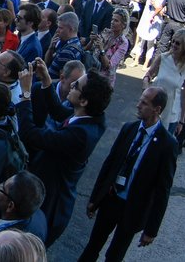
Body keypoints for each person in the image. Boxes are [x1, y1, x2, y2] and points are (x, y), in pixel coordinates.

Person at [17, 59, 113, 246]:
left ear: (84, 100)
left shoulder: (80, 135)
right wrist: (46, 82)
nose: (71, 85)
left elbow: (30, 134)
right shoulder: (92, 116)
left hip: (49, 206)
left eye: (76, 86)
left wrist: (26, 94)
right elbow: (60, 112)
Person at [79, 87, 178, 262]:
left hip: (133, 209)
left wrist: (151, 230)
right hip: (111, 199)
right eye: (140, 100)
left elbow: (163, 190)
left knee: (115, 255)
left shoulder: (167, 144)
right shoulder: (129, 129)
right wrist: (95, 198)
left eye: (144, 103)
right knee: (92, 247)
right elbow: (109, 165)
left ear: (158, 109)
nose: (138, 105)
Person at [143, 28, 185, 133]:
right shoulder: (163, 58)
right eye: (172, 41)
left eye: (177, 43)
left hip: (172, 115)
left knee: (162, 147)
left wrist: (181, 121)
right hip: (153, 110)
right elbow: (148, 74)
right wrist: (146, 85)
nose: (173, 45)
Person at [85, 7, 130, 85]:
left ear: (123, 25)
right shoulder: (106, 32)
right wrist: (92, 41)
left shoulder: (123, 43)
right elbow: (87, 50)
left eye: (116, 20)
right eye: (112, 19)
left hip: (104, 81)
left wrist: (101, 48)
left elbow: (108, 66)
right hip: (91, 73)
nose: (112, 22)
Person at [44, 12, 84, 80]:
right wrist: (51, 47)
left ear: (70, 29)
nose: (57, 31)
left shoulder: (67, 52)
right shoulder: (74, 43)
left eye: (60, 28)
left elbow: (62, 81)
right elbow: (47, 62)